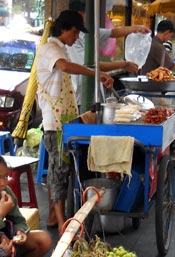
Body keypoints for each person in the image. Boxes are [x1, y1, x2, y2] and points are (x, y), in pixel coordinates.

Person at [36, 10, 114, 232]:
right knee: (58, 171)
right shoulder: (51, 49)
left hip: (66, 120)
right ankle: (62, 224)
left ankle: (54, 217)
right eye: (76, 31)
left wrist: (104, 71)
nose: (77, 37)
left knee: (63, 169)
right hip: (54, 123)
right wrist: (96, 75)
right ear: (64, 28)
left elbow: (80, 67)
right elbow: (66, 67)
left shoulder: (61, 49)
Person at [67, 1, 149, 105]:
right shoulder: (72, 39)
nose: (92, 19)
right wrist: (124, 64)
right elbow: (90, 65)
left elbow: (113, 32)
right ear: (80, 14)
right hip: (80, 95)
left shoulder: (86, 31)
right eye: (88, 15)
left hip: (94, 91)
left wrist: (137, 28)